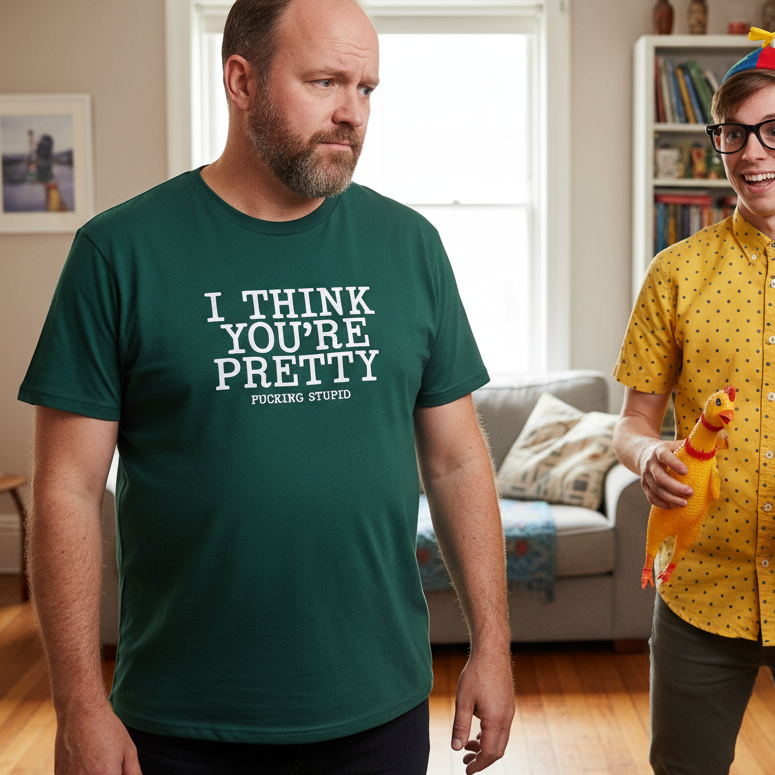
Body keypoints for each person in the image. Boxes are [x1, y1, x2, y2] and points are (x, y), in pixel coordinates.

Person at [17, 0, 515, 773]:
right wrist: (78, 700)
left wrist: (493, 644)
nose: (351, 113)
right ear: (240, 81)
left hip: (377, 708)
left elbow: (455, 461)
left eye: (366, 89)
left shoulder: (410, 246)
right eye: (324, 81)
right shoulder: (117, 253)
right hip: (181, 719)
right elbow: (67, 489)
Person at [613, 28, 775, 775]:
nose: (750, 153)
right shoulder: (674, 273)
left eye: (771, 130)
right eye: (733, 133)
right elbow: (633, 422)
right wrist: (647, 455)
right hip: (699, 595)